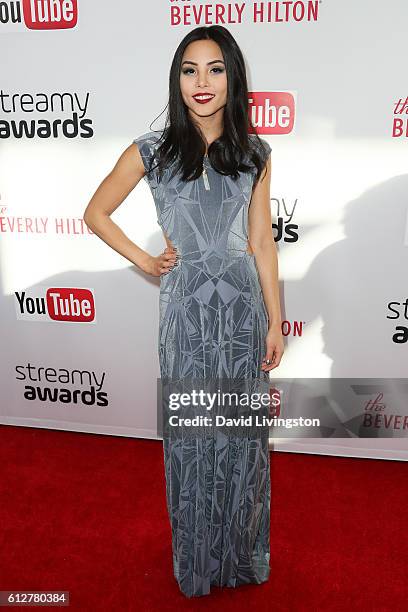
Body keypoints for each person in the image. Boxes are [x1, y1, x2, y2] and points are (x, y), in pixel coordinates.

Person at [83, 25, 284, 598]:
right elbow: (96, 212)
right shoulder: (152, 150)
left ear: (233, 77)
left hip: (243, 315)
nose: (202, 82)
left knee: (243, 443)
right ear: (177, 79)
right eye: (189, 69)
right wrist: (147, 261)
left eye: (215, 69)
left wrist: (273, 320)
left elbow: (262, 241)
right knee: (194, 441)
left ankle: (241, 561)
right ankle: (198, 565)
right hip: (186, 320)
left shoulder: (255, 153)